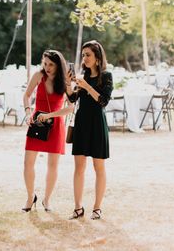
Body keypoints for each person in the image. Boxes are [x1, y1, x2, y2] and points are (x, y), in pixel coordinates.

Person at [22, 50, 74, 212]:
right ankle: (31, 197)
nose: (47, 67)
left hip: (56, 123)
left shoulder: (65, 80)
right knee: (28, 163)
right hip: (37, 122)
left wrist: (49, 115)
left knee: (53, 165)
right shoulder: (39, 75)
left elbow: (71, 107)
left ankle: (47, 199)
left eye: (51, 64)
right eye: (45, 63)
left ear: (59, 64)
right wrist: (28, 111)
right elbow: (27, 95)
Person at [67, 40, 113, 220]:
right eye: (83, 55)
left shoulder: (106, 76)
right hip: (81, 123)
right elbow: (72, 99)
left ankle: (97, 207)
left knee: (98, 166)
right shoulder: (81, 76)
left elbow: (103, 101)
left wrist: (87, 86)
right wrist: (68, 83)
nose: (84, 58)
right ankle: (78, 208)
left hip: (97, 124)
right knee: (79, 167)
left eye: (88, 55)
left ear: (97, 58)